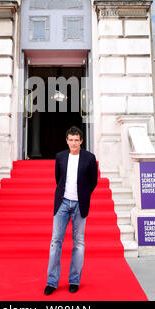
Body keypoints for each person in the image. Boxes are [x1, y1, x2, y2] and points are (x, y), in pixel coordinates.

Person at [44, 126, 98, 295]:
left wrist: (83, 195)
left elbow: (93, 181)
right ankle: (52, 282)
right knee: (55, 242)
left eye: (76, 140)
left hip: (79, 205)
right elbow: (58, 178)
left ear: (81, 141)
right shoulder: (60, 157)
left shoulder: (89, 158)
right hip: (62, 204)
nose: (73, 143)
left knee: (79, 243)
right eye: (71, 140)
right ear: (67, 140)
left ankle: (74, 280)